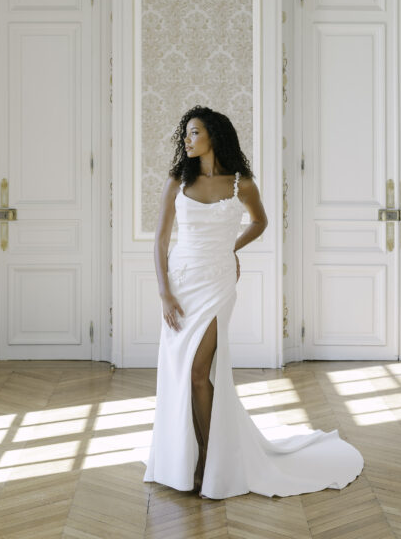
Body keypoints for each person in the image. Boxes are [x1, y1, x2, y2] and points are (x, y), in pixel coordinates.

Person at [144, 105, 363, 500]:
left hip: (218, 283)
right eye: (186, 134)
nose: (187, 140)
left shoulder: (240, 184)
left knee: (198, 371)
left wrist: (231, 248)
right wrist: (164, 291)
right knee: (182, 373)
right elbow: (160, 240)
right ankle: (188, 453)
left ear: (214, 135)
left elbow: (260, 222)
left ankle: (210, 458)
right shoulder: (177, 180)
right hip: (181, 282)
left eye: (194, 133)